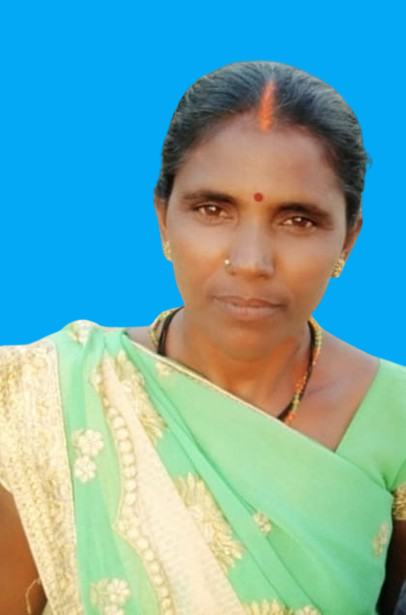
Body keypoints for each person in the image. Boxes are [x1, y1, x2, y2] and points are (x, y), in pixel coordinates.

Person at [0, 61, 405, 615]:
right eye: (213, 209)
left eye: (298, 220)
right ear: (163, 219)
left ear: (349, 239)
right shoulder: (47, 396)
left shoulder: (395, 415)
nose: (252, 261)